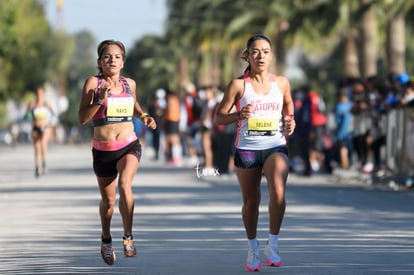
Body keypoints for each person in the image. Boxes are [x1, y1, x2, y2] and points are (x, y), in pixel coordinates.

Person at [215, 34, 295, 271]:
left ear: (271, 55)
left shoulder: (281, 83)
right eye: (256, 51)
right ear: (247, 55)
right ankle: (252, 247)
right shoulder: (238, 85)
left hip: (275, 145)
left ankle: (274, 243)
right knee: (251, 202)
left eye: (266, 51)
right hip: (247, 149)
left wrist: (290, 120)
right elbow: (219, 117)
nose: (261, 56)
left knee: (278, 193)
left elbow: (288, 105)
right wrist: (238, 115)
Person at [78, 40, 156, 266]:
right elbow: (83, 118)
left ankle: (128, 237)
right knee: (108, 202)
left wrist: (144, 117)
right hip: (103, 151)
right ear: (99, 62)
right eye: (107, 57)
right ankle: (106, 238)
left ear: (123, 61)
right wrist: (99, 101)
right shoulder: (93, 83)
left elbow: (134, 105)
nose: (112, 60)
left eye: (117, 56)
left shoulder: (129, 83)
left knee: (125, 185)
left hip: (128, 144)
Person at [24, 85, 55, 177]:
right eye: (37, 94)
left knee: (43, 143)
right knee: (37, 148)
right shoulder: (32, 105)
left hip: (45, 127)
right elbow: (25, 117)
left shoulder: (47, 105)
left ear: (43, 94)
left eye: (41, 93)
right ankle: (37, 166)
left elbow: (54, 115)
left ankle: (44, 163)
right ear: (35, 94)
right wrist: (28, 110)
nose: (39, 95)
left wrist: (50, 124)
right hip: (35, 127)